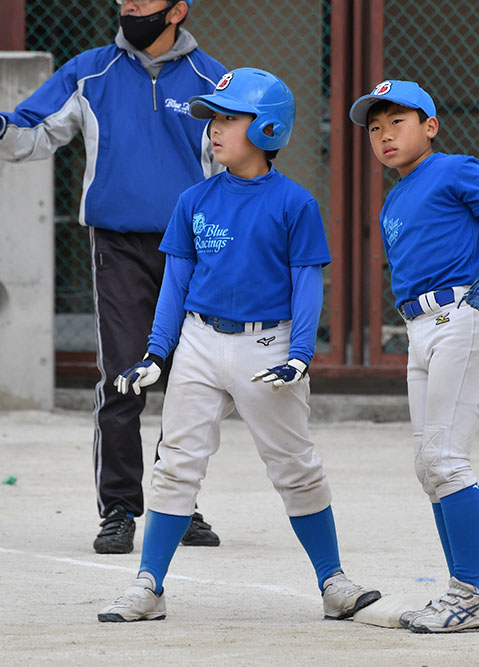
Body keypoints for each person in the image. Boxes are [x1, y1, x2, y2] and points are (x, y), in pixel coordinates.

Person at [97, 68, 381, 623]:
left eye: (230, 117)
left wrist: (300, 353)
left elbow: (306, 283)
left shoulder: (294, 203)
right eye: (214, 118)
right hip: (200, 341)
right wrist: (158, 353)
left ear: (269, 128)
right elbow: (175, 282)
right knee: (176, 465)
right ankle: (149, 585)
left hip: (267, 347)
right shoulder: (194, 199)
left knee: (296, 467)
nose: (215, 129)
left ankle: (333, 582)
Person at [0, 0, 228, 555]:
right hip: (118, 246)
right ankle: (120, 509)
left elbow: (235, 159)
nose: (130, 5)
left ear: (177, 10)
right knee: (125, 376)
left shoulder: (213, 80)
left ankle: (180, 505)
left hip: (196, 249)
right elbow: (33, 132)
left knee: (191, 385)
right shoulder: (89, 70)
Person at [348, 80, 479, 633]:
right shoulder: (393, 197)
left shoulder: (454, 168)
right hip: (419, 328)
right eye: (376, 128)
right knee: (429, 465)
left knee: (445, 460)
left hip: (464, 317)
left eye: (398, 123)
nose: (385, 135)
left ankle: (474, 592)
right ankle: (466, 591)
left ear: (429, 127)